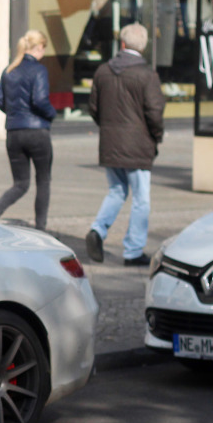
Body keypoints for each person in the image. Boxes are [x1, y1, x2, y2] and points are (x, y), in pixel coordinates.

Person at [85, 23, 165, 267]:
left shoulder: (102, 71)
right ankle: (133, 250)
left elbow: (94, 108)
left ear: (122, 44)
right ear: (143, 46)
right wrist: (157, 135)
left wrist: (109, 128)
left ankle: (98, 229)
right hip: (138, 145)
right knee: (141, 198)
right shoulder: (147, 74)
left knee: (117, 190)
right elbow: (155, 112)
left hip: (111, 142)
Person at [0, 29, 56, 230]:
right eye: (44, 48)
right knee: (43, 181)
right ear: (39, 47)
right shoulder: (39, 70)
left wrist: (15, 114)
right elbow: (40, 100)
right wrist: (52, 114)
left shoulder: (10, 70)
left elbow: (0, 100)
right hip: (37, 132)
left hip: (14, 131)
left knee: (20, 183)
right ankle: (41, 226)